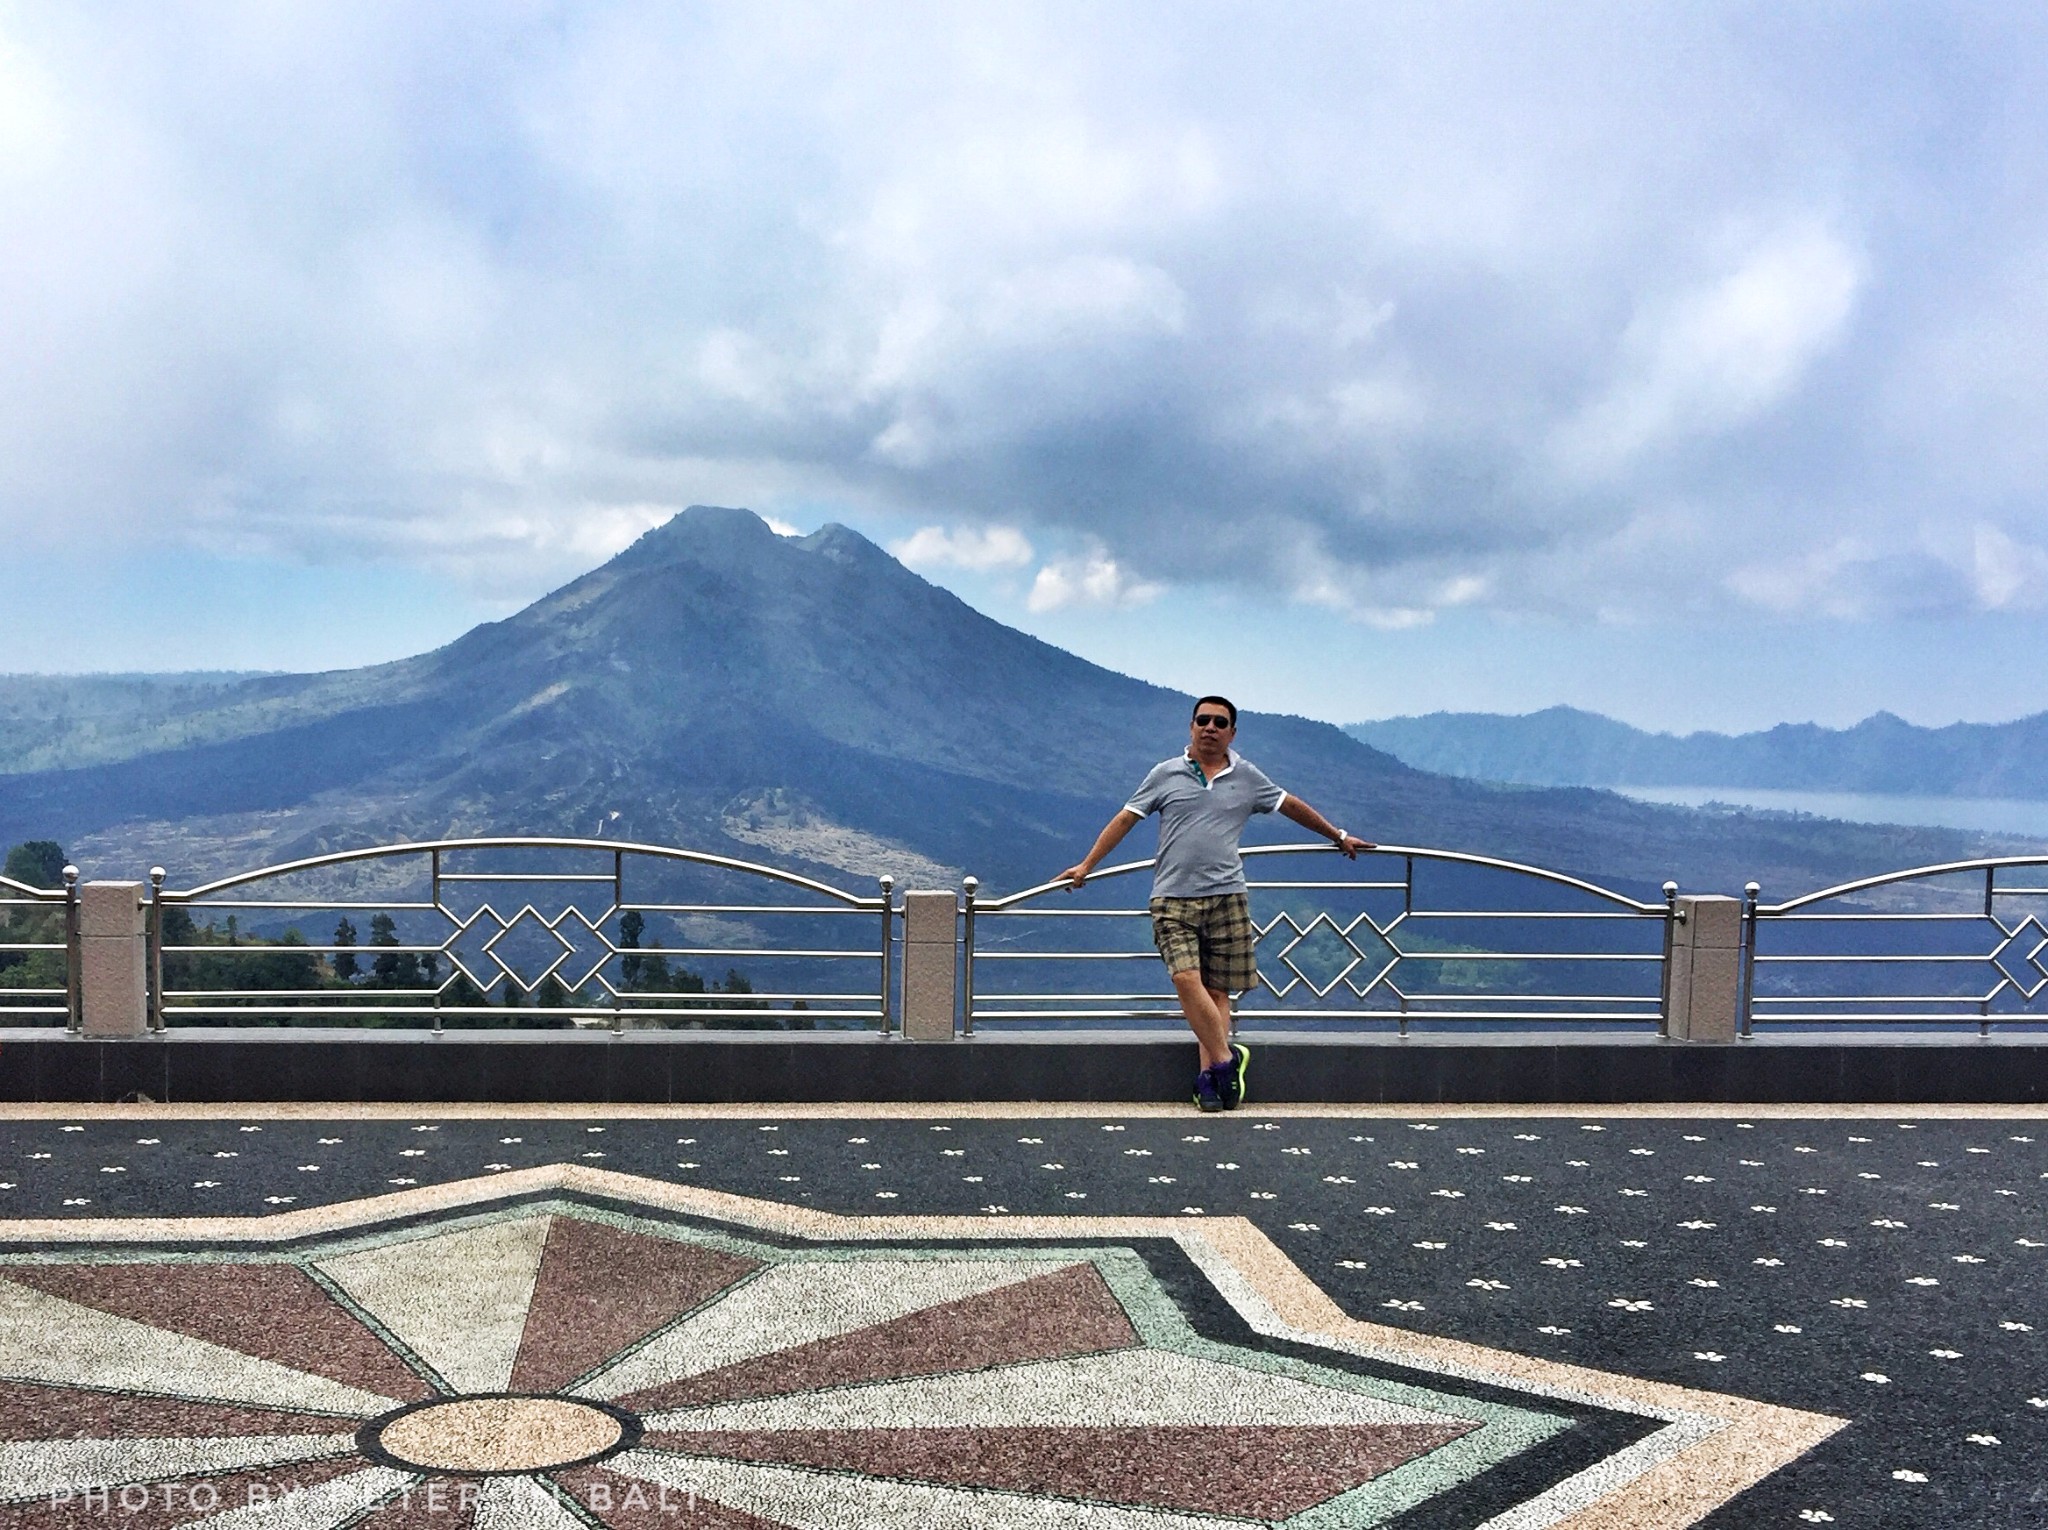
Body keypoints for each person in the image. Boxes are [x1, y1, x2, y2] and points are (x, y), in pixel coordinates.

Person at [1059, 696, 1372, 1112]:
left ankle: (1209, 1082)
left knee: (1218, 991)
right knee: (1186, 979)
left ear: (1232, 732)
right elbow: (1126, 819)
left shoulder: (1247, 777)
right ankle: (1228, 1059)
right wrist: (1086, 865)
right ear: (1190, 727)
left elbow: (1290, 805)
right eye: (1202, 720)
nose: (1209, 727)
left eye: (1219, 722)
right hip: (1172, 898)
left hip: (1227, 896)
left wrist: (1337, 835)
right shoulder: (1164, 774)